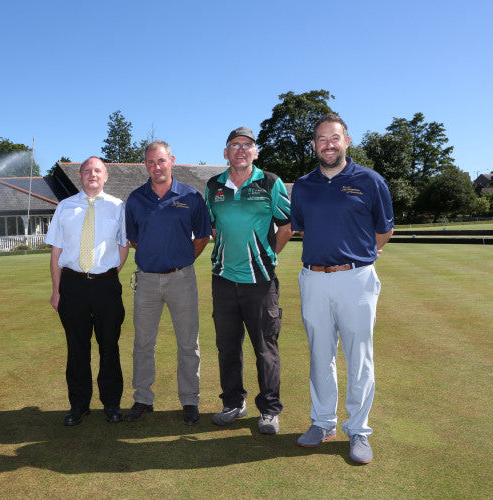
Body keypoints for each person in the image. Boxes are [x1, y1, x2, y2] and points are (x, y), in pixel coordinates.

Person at [291, 113, 394, 464]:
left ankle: (359, 431)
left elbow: (383, 230)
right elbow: (302, 226)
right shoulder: (303, 186)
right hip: (314, 277)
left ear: (347, 141)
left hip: (357, 279)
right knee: (320, 355)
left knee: (359, 357)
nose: (328, 144)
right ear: (315, 145)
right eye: (321, 138)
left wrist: (360, 259)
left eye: (335, 137)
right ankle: (322, 423)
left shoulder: (371, 180)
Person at [205, 127, 293, 434]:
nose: (241, 150)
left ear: (255, 152)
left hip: (261, 282)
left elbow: (285, 227)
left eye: (247, 145)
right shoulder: (213, 186)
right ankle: (233, 403)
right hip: (224, 280)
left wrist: (266, 257)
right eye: (234, 145)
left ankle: (269, 411)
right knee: (228, 347)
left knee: (265, 348)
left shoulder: (270, 182)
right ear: (226, 153)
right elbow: (214, 228)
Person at [123, 141, 211, 426]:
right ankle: (143, 398)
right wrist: (155, 258)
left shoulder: (191, 197)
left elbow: (202, 237)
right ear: (145, 165)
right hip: (147, 280)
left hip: (181, 279)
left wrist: (182, 260)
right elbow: (134, 239)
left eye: (161, 161)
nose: (156, 167)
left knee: (188, 343)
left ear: (171, 160)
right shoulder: (136, 199)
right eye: (150, 162)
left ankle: (189, 400)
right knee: (143, 343)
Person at [45, 156, 129, 426]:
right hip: (72, 286)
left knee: (109, 347)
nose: (92, 174)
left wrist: (108, 274)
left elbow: (123, 245)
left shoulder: (118, 207)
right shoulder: (64, 207)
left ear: (106, 177)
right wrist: (57, 290)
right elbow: (56, 251)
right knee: (76, 349)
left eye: (98, 171)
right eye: (87, 171)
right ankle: (79, 405)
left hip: (106, 285)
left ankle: (112, 404)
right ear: (80, 176)